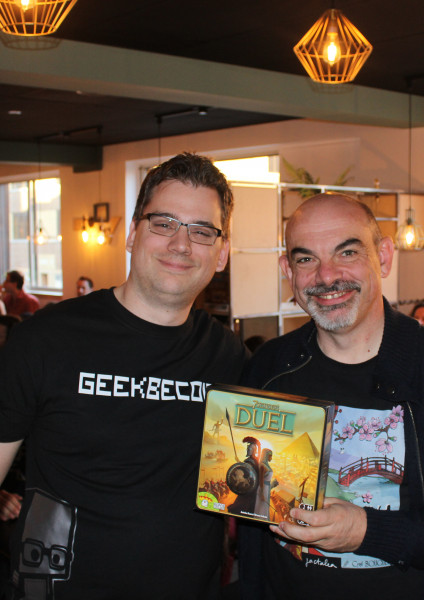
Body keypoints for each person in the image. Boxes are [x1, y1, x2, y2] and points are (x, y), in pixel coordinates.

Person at [239, 193, 424, 600]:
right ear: (288, 270)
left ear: (384, 257)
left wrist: (368, 531)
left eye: (347, 252)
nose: (326, 276)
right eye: (306, 259)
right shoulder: (268, 367)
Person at [0, 152, 248, 599]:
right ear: (133, 234)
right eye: (163, 223)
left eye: (201, 230)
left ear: (222, 253)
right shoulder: (46, 339)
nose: (181, 243)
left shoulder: (230, 358)